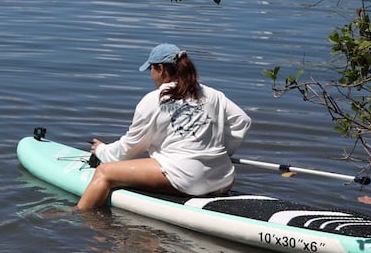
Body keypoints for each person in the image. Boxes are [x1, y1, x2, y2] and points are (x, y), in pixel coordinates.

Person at [76, 43, 251, 211]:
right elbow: (242, 121)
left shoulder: (154, 99)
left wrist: (102, 150)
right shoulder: (212, 94)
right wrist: (221, 151)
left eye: (151, 69)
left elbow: (130, 148)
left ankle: (76, 216)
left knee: (104, 172)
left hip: (187, 179)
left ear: (160, 68)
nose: (150, 74)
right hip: (223, 179)